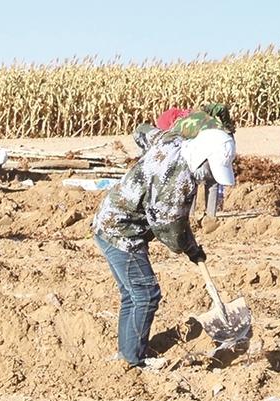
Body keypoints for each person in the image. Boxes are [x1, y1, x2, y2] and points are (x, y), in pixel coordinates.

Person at [91, 128, 236, 367]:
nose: (209, 177)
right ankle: (135, 359)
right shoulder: (177, 185)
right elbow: (171, 231)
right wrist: (192, 250)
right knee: (146, 295)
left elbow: (142, 131)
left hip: (108, 218)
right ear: (202, 160)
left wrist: (145, 170)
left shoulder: (172, 140)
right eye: (210, 170)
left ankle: (126, 354)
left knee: (132, 294)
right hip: (122, 232)